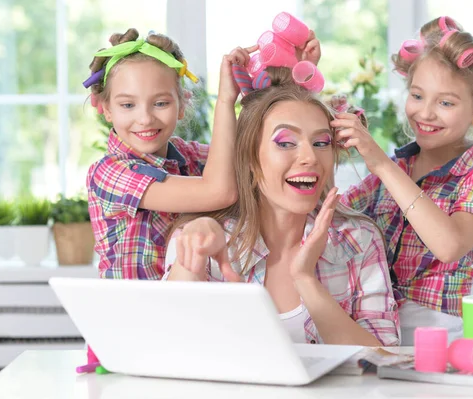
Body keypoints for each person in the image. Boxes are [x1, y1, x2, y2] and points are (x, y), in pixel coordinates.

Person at [164, 64, 400, 346]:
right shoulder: (204, 238)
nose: (309, 157)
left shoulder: (359, 240)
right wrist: (193, 259)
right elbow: (170, 344)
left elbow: (384, 359)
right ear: (250, 159)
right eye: (286, 143)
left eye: (321, 143)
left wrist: (305, 280)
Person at [335, 16, 473, 343]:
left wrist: (381, 165)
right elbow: (331, 213)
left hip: (439, 332)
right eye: (417, 96)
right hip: (375, 323)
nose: (426, 113)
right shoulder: (394, 169)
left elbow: (448, 245)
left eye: (445, 102)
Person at [84, 28, 241, 280]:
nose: (145, 119)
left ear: (182, 104)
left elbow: (255, 162)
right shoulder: (109, 173)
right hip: (130, 314)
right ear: (106, 109)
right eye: (127, 105)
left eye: (160, 103)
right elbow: (220, 192)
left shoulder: (189, 157)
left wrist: (288, 79)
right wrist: (225, 101)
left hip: (184, 309)